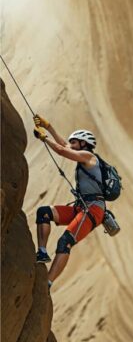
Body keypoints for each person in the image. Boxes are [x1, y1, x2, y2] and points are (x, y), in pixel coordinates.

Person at [31, 115, 106, 284]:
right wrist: (48, 126)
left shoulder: (89, 157)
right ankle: (42, 251)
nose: (71, 144)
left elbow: (62, 150)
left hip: (93, 210)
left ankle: (47, 283)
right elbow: (65, 146)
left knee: (65, 242)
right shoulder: (83, 156)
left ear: (84, 144)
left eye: (75, 142)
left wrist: (45, 138)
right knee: (44, 212)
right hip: (81, 208)